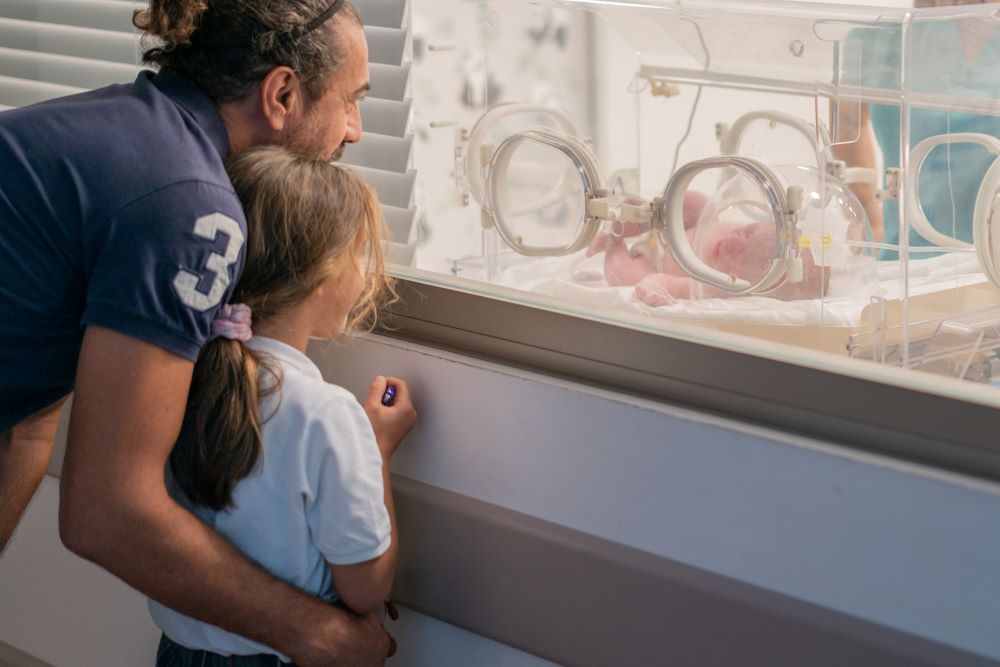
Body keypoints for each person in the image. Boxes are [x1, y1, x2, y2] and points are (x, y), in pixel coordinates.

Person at [0, 0, 395, 663]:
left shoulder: (116, 132)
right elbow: (105, 511)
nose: (354, 131)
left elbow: (27, 430)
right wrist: (316, 633)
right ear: (282, 93)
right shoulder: (188, 205)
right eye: (350, 100)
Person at [151, 146, 416, 666]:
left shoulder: (172, 378)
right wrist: (378, 448)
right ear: (323, 279)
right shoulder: (326, 415)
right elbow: (365, 588)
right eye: (359, 258)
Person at [833, 0, 1000, 259]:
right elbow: (845, 120)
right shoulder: (884, 39)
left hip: (990, 248)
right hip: (908, 251)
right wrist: (865, 210)